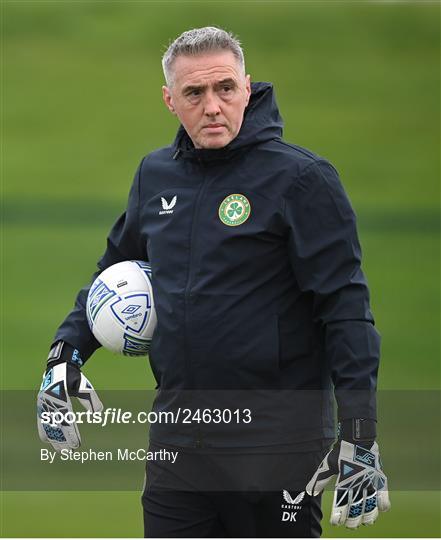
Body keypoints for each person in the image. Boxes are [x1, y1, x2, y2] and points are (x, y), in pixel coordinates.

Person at [37, 27, 390, 537]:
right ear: (169, 100)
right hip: (179, 444)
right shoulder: (155, 176)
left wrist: (360, 432)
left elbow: (346, 310)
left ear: (247, 87)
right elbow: (112, 273)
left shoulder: (302, 179)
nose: (213, 106)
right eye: (194, 93)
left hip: (277, 448)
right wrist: (63, 354)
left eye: (225, 88)